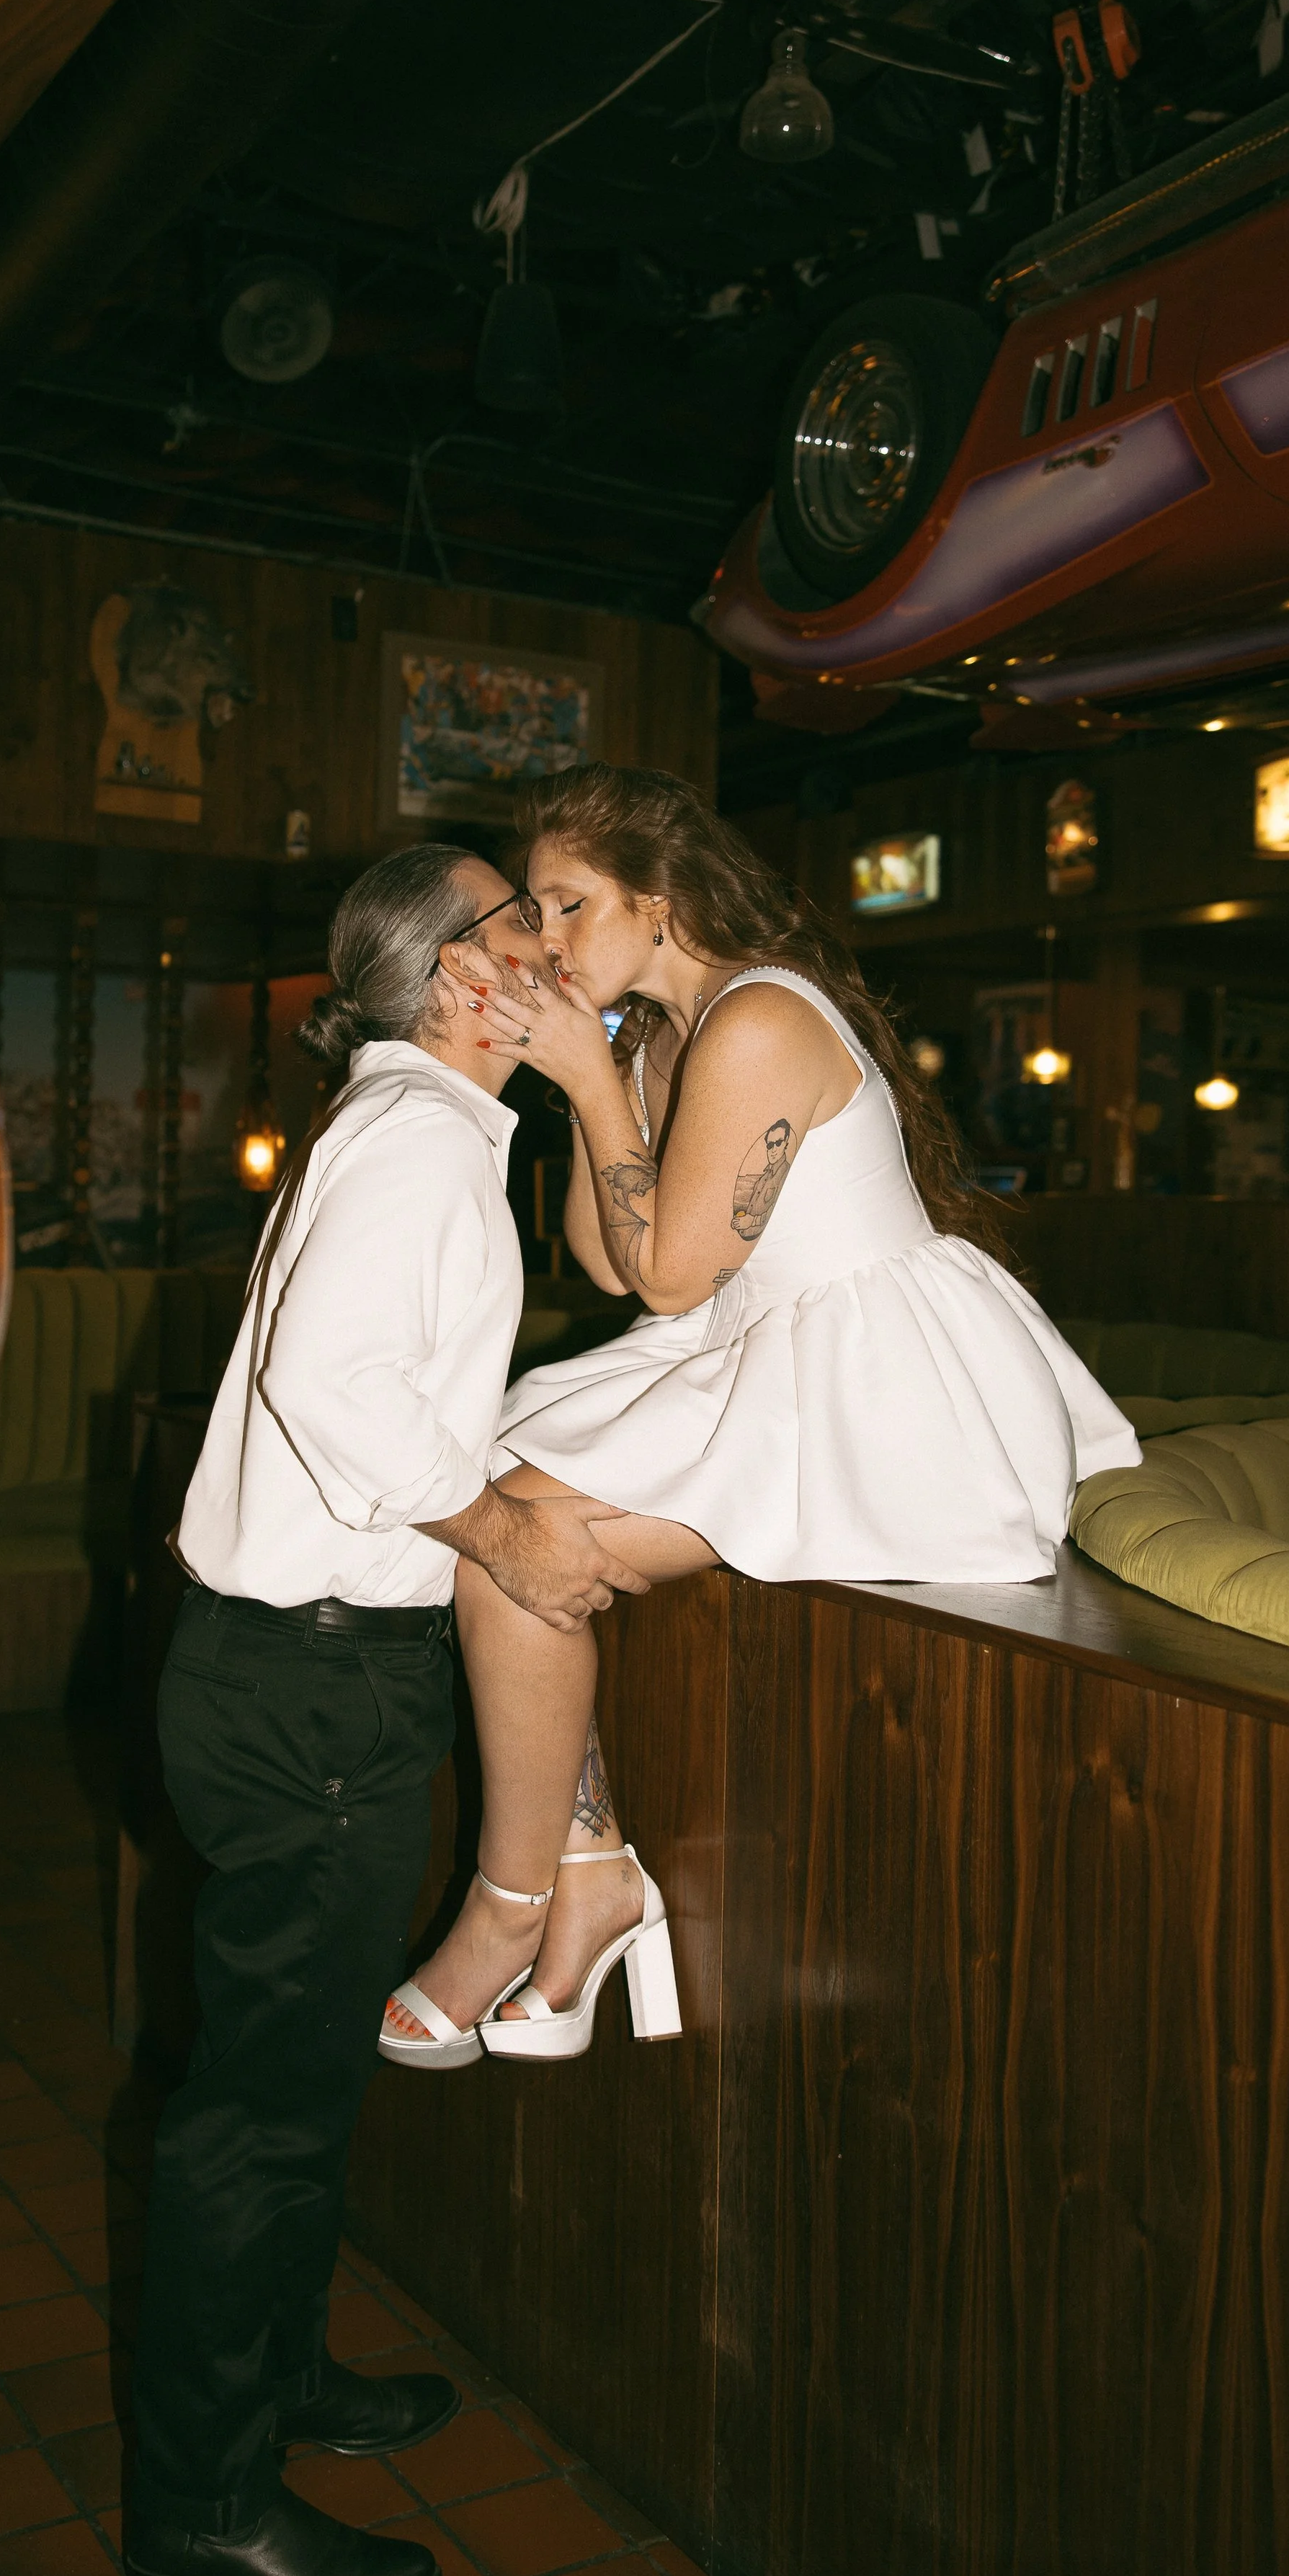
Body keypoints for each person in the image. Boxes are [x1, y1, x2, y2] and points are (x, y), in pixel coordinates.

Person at [381, 762, 1139, 2068]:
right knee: (496, 1505)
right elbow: (615, 1266)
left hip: (877, 1377)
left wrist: (591, 1074)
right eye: (535, 912)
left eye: (567, 905)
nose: (542, 940)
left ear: (658, 899)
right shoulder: (668, 1036)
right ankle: (585, 1865)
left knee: (510, 1541)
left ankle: (535, 1906)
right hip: (745, 1341)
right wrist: (589, 1075)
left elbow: (669, 1271)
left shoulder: (759, 1023)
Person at [123, 841, 648, 2576]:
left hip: (278, 1669)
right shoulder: (425, 1136)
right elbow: (333, 1384)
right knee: (253, 2123)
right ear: (453, 980)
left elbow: (367, 1375)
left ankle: (279, 2386)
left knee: (290, 2089)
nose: (551, 940)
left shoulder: (413, 1126)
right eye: (522, 919)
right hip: (312, 1681)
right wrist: (496, 1526)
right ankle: (199, 2507)